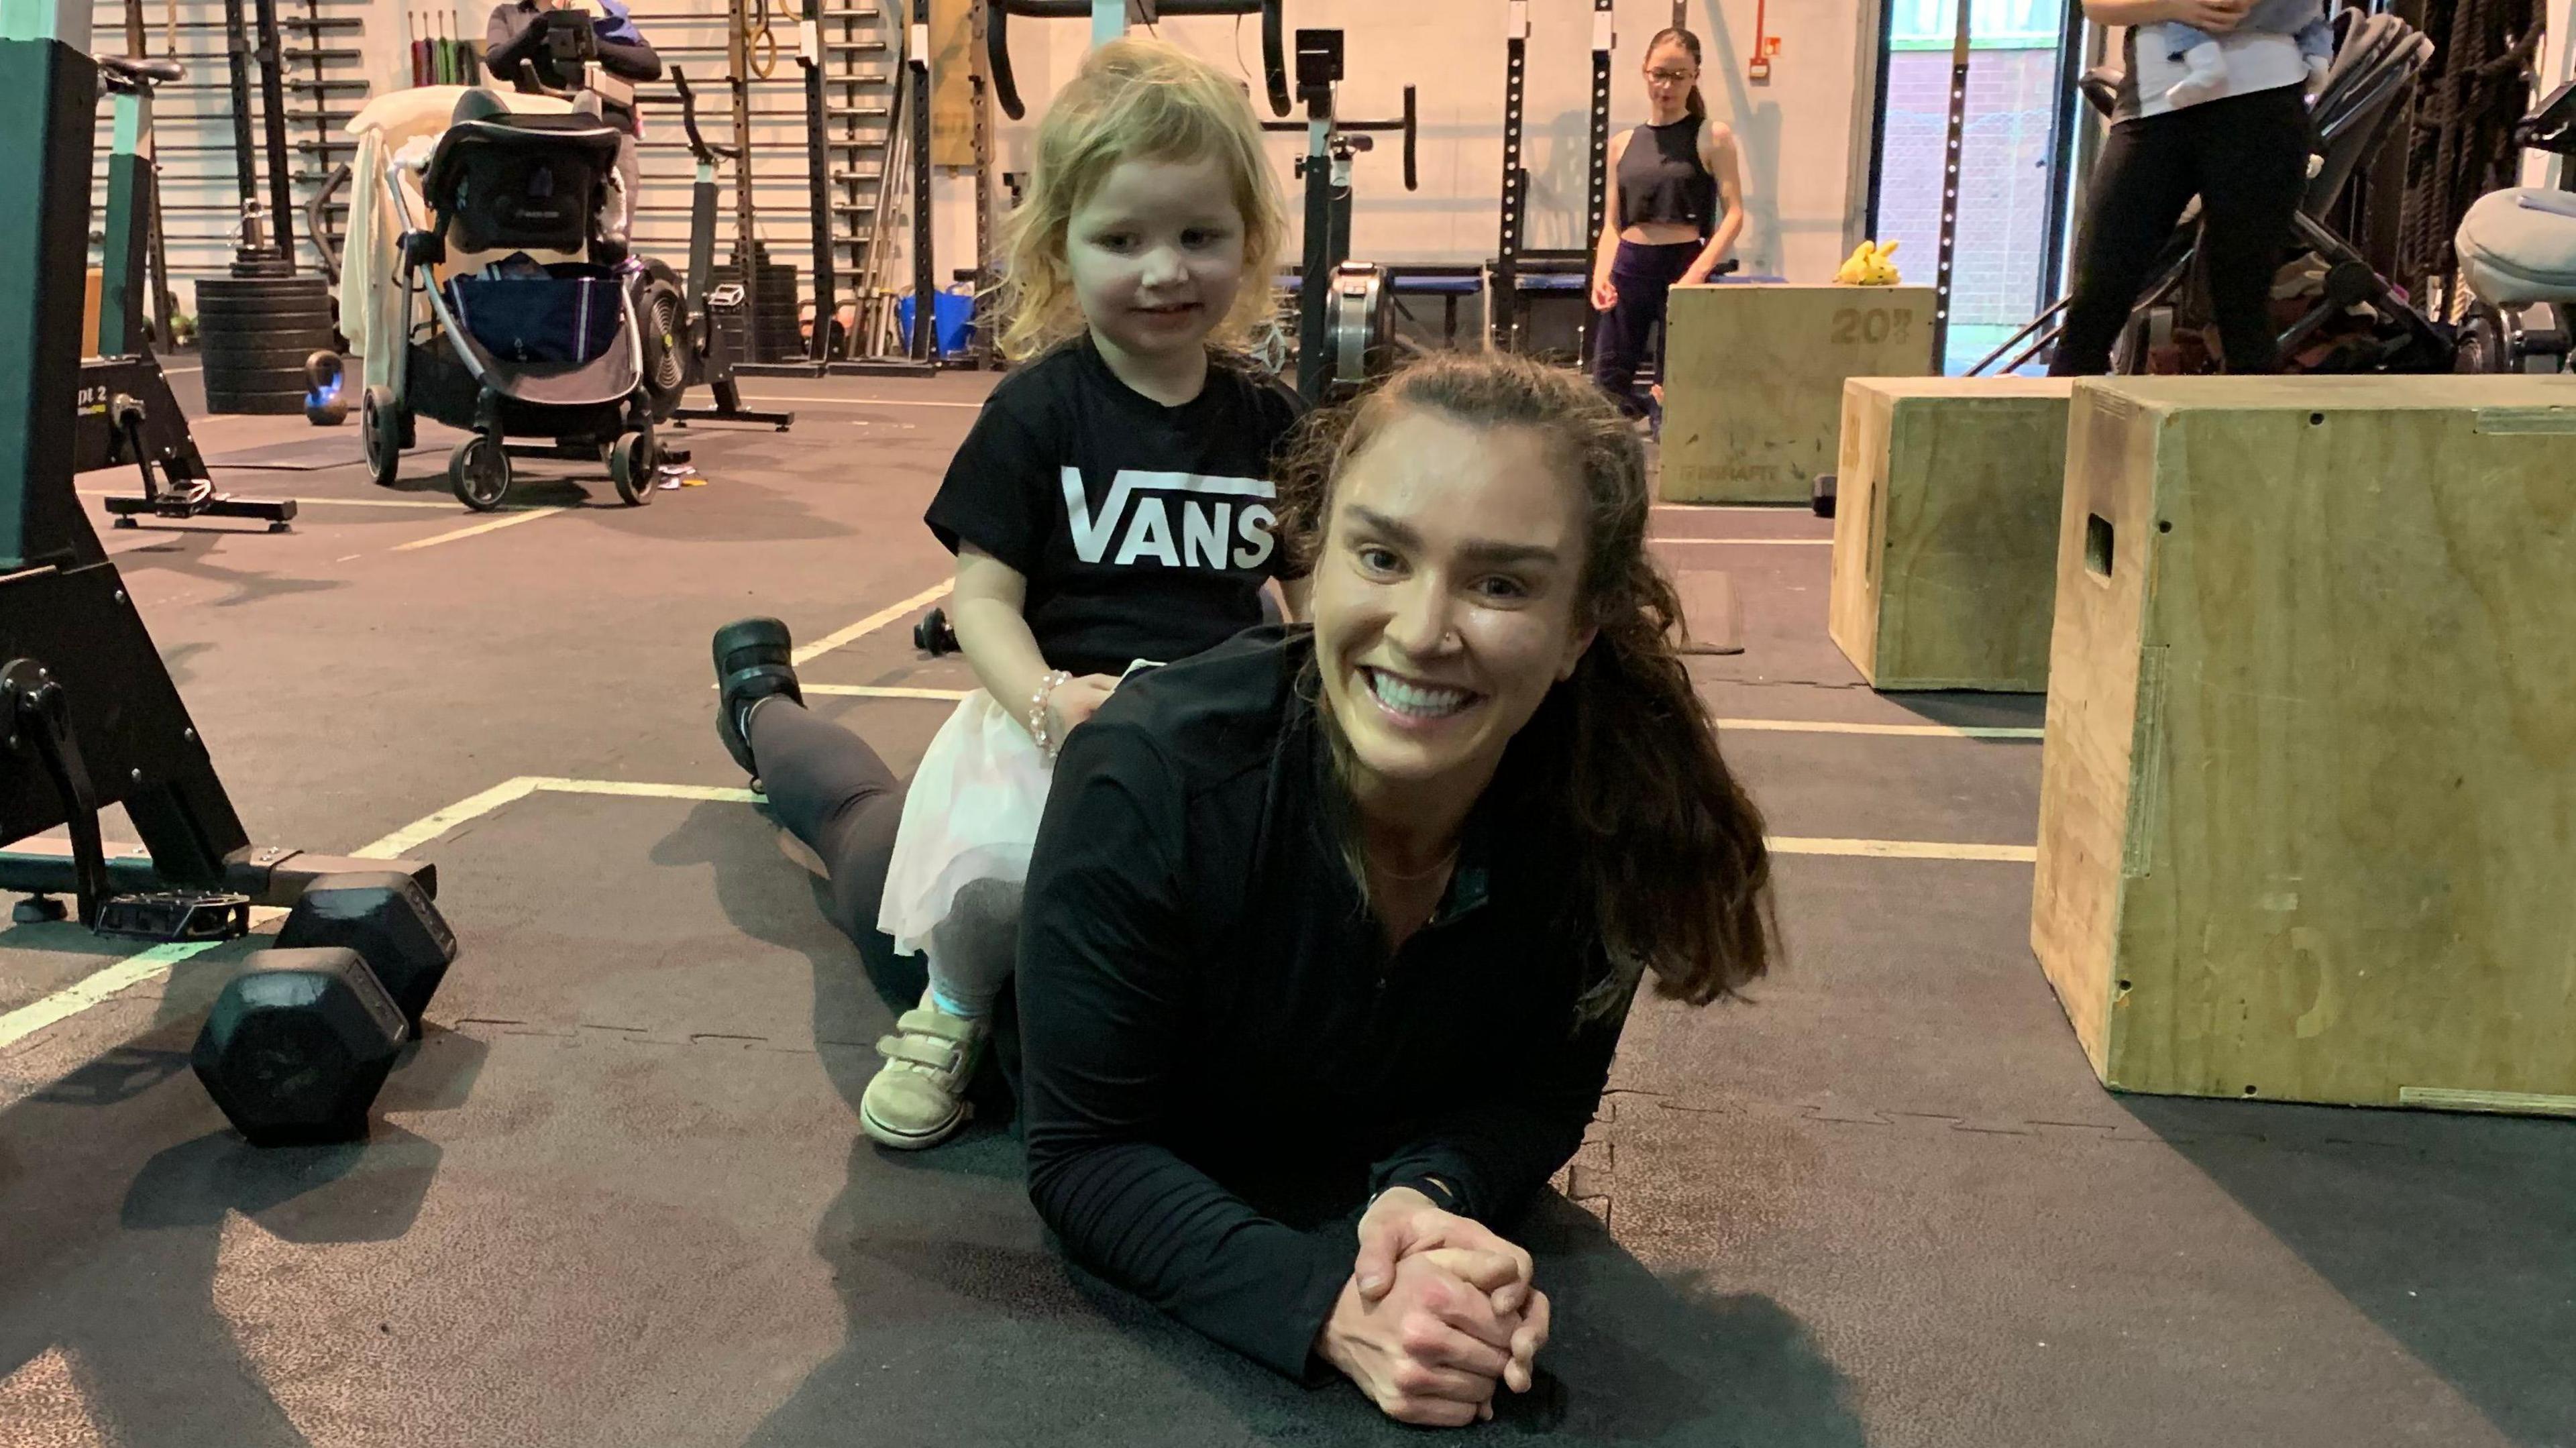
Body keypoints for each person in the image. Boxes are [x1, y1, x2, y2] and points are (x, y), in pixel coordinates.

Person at [1014, 351, 1778, 1426]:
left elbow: (1541, 1096)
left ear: (1579, 632)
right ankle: (770, 717)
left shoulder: (1613, 814)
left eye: (1502, 582)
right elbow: (1086, 1151)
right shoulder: (1147, 778)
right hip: (1049, 930)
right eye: (1381, 556)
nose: (1423, 630)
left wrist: (1431, 1192)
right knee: (881, 866)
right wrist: (1327, 1304)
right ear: (1316, 566)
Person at [707, 38, 1301, 1151]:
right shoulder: (1040, 415)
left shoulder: (1267, 422)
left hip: (1202, 740)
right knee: (877, 839)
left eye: (1200, 236)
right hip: (1053, 734)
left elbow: (1314, 601)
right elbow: (980, 597)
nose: (1166, 269)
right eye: (1123, 238)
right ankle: (767, 720)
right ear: (1059, 247)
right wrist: (1041, 700)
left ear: (1250, 244)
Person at [2049, 0, 2317, 376]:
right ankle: (2058, 426)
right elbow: (2098, 6)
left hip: (2264, 108)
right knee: (2097, 293)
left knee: (2243, 305)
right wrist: (2175, 5)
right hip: (2153, 109)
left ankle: (2247, 430)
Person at [1587, 27, 1747, 419]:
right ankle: (1635, 426)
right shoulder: (1623, 144)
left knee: (1676, 384)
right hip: (1629, 267)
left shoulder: (1712, 135)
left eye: (1679, 76)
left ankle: (1666, 438)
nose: (1667, 85)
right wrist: (1601, 275)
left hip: (1684, 264)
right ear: (1644, 71)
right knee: (1607, 387)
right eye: (1659, 74)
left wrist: (1698, 273)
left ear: (1695, 76)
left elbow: (1735, 214)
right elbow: (1612, 224)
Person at [483, 0, 663, 233]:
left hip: (609, 141)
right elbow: (498, 64)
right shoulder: (509, 14)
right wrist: (539, 29)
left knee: (613, 242)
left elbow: (650, 65)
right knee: (548, 237)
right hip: (541, 143)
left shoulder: (605, 13)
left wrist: (593, 42)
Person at [2151, 0, 2331, 109]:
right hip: (2297, 11)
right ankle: (2319, 63)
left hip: (2235, 14)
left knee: (2181, 13)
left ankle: (2207, 64)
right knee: (2316, 23)